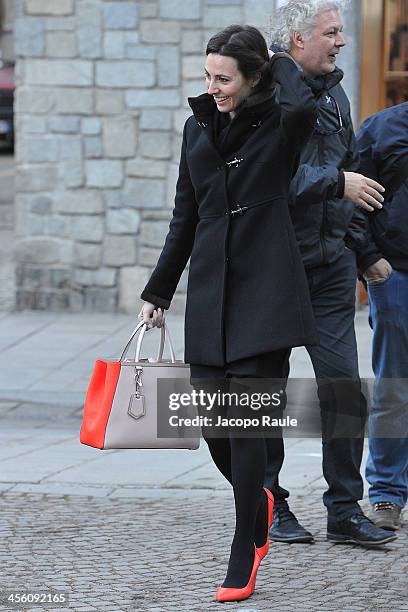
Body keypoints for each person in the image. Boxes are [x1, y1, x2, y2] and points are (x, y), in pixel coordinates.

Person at [139, 25, 319, 603]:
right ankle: (261, 498)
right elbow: (183, 218)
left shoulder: (282, 122)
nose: (212, 87)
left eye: (224, 78)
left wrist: (273, 56)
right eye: (207, 76)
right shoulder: (197, 128)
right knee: (214, 420)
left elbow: (300, 94)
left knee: (245, 424)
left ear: (252, 76)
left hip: (266, 285)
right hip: (213, 291)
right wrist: (159, 292)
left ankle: (245, 545)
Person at [264, 0, 397, 547]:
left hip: (331, 269)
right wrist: (335, 182)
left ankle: (344, 510)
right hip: (273, 270)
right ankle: (270, 505)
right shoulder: (266, 93)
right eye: (331, 32)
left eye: (343, 30)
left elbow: (352, 178)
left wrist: (361, 253)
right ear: (297, 39)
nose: (341, 41)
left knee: (343, 390)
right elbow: (268, 180)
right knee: (262, 394)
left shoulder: (337, 94)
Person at [356, 101, 408, 531]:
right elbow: (354, 204)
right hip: (397, 275)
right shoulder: (382, 129)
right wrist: (370, 259)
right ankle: (387, 493)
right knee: (394, 386)